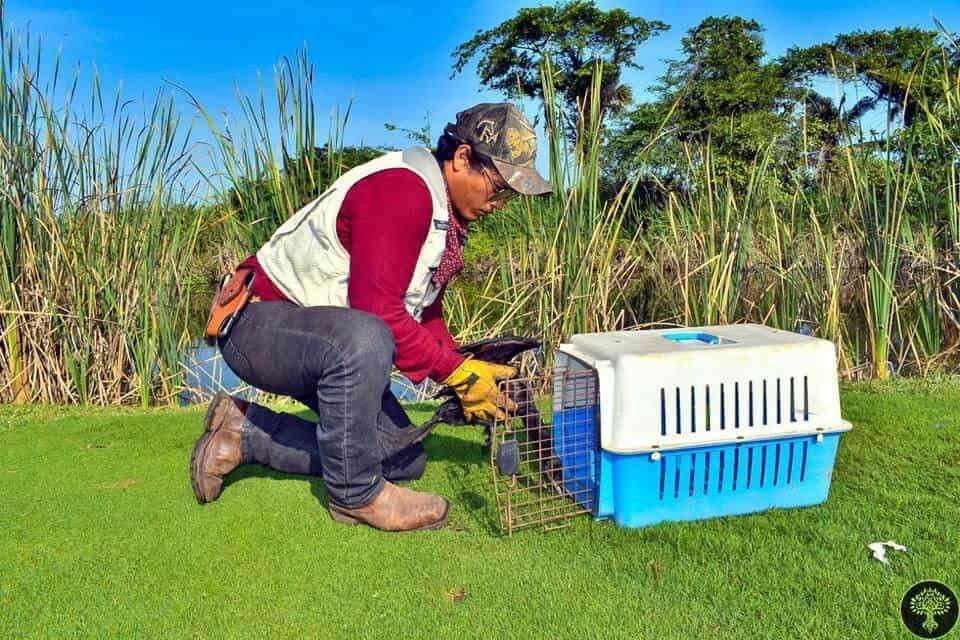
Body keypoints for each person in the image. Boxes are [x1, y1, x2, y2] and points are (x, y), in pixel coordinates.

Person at [189, 103, 552, 532]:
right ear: (461, 159)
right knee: (367, 335)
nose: (501, 203)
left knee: (402, 457)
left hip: (319, 340)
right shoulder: (405, 191)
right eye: (499, 186)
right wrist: (455, 373)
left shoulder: (441, 215)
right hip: (257, 328)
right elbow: (376, 310)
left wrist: (460, 366)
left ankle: (244, 433)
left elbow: (424, 313)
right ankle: (354, 495)